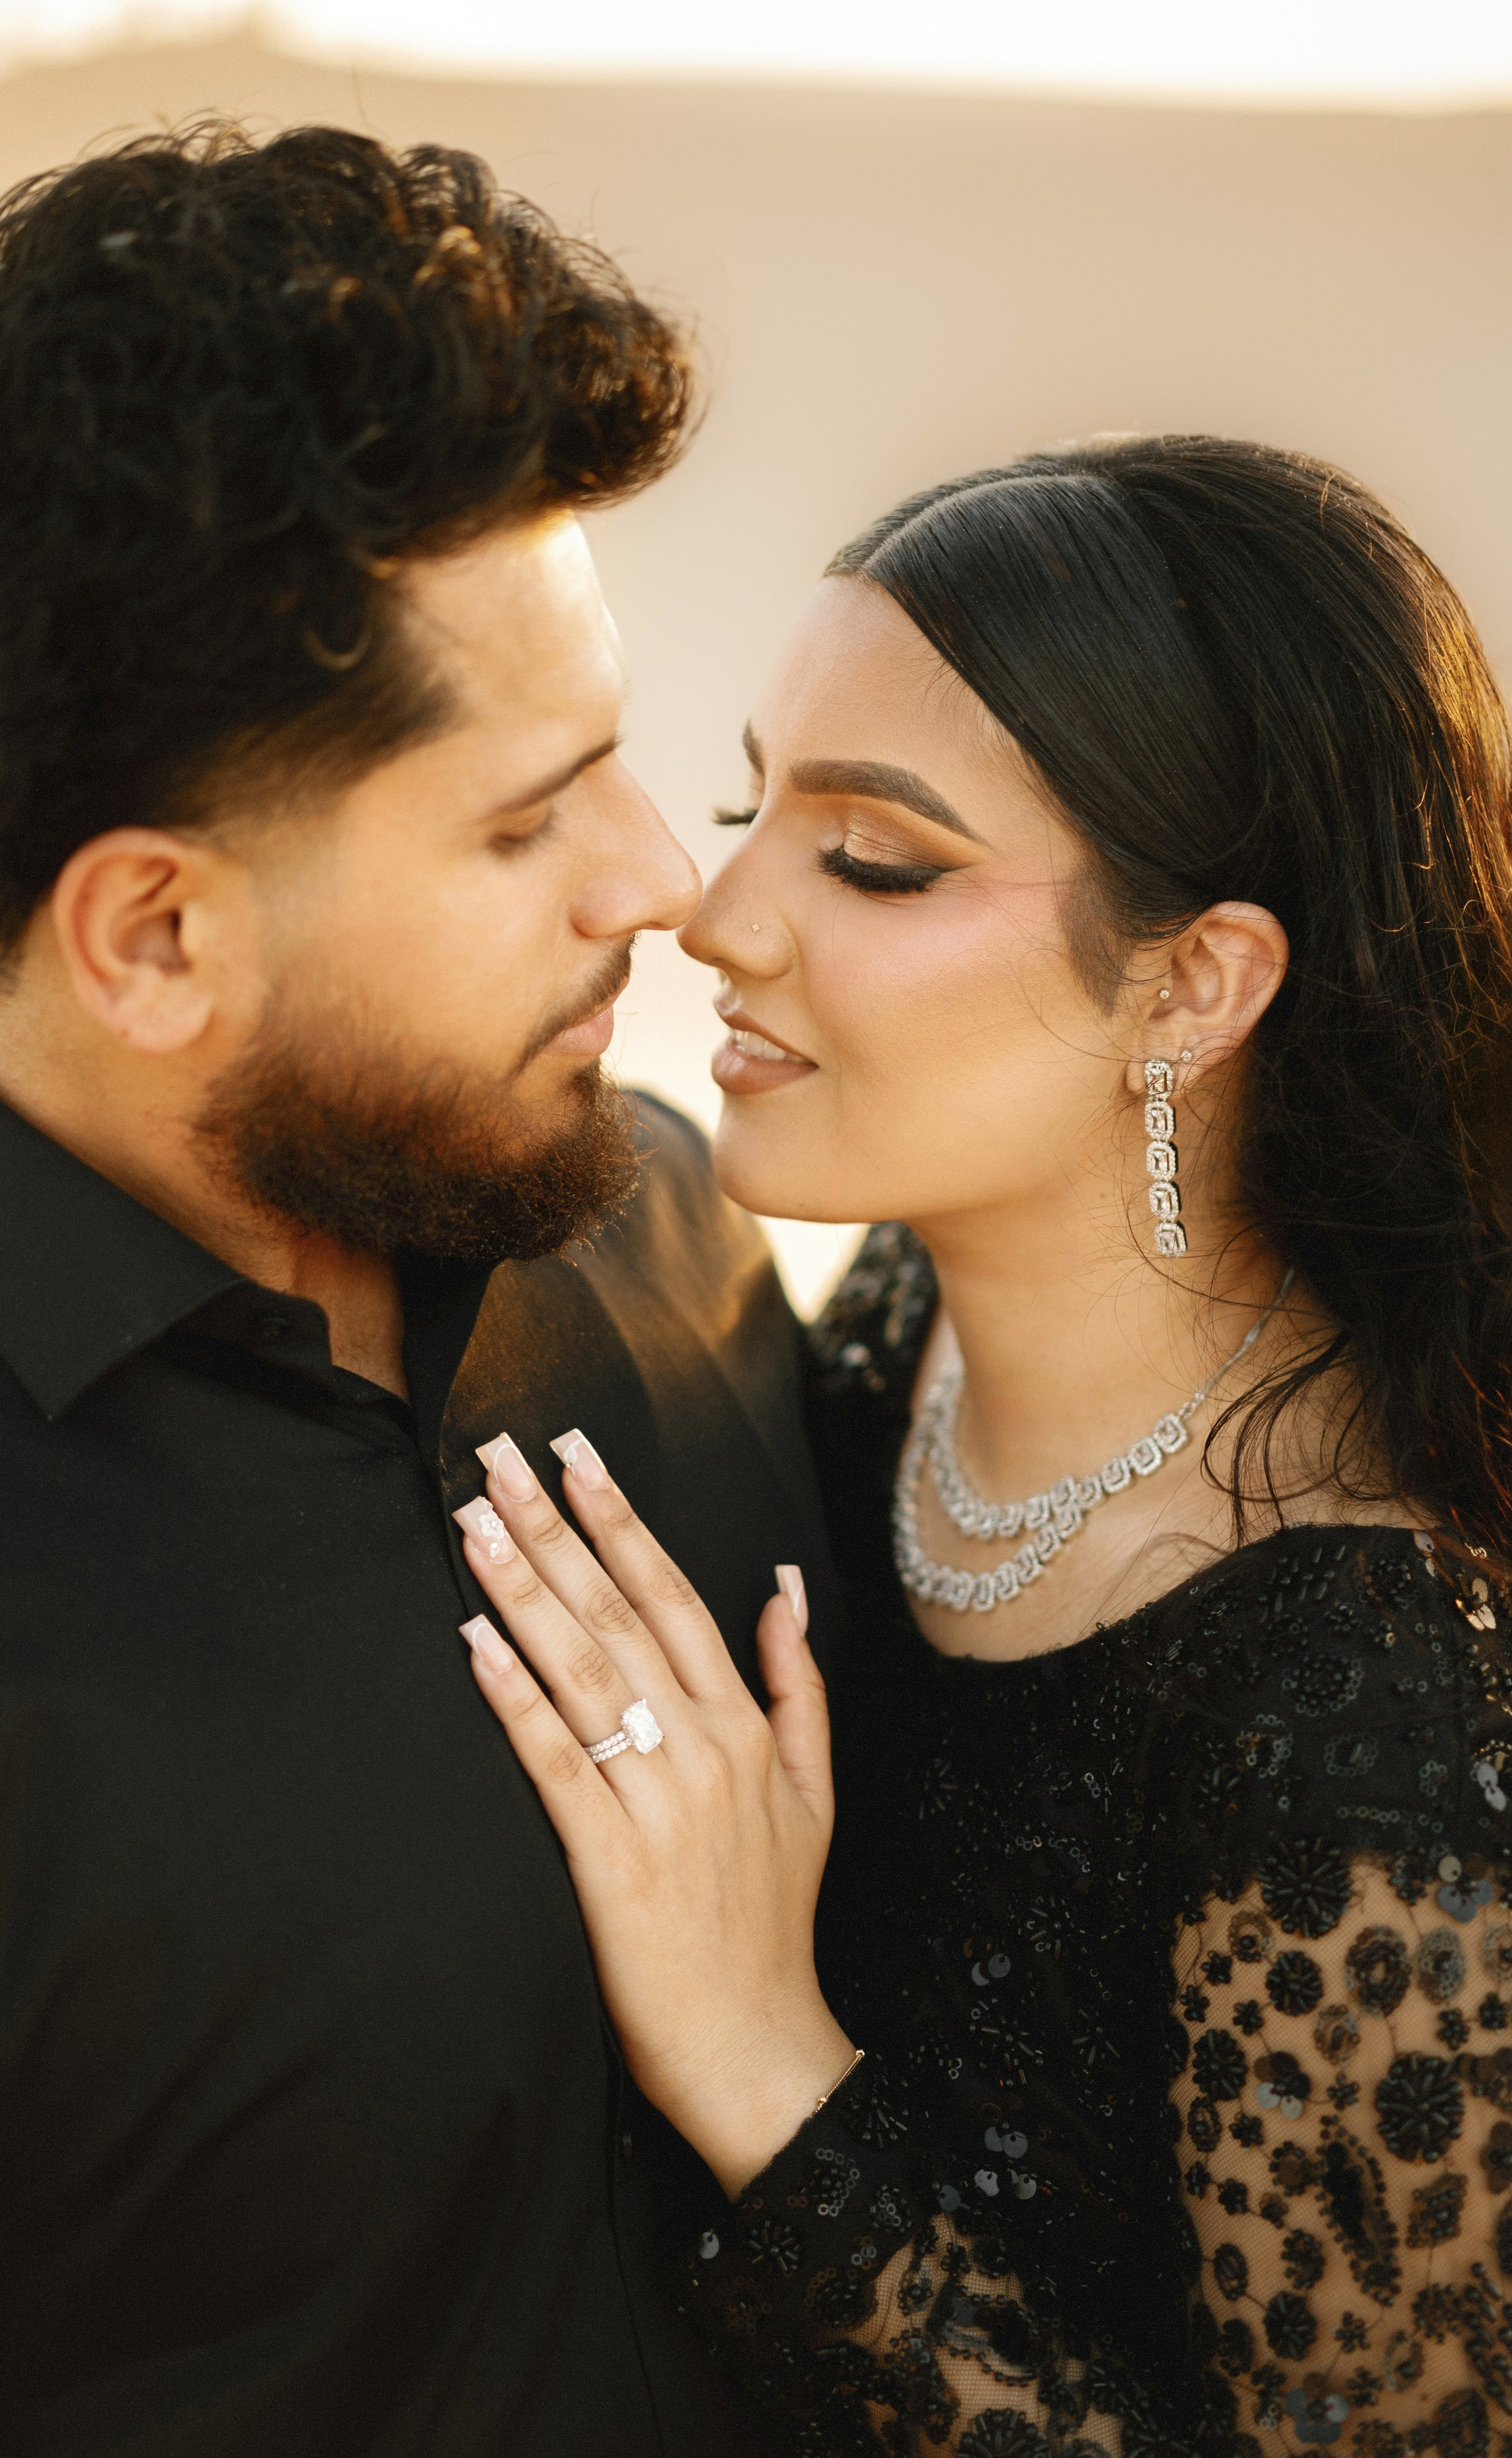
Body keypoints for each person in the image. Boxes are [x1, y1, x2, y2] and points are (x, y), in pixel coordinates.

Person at [0, 124, 839, 2456]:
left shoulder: (671, 1232)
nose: (656, 883)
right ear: (153, 937)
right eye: (524, 821)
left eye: (622, 759)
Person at [457, 435, 1512, 2452]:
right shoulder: (891, 1333)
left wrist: (756, 2057)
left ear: (1196, 985)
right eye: (751, 807)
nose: (716, 915)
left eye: (874, 860)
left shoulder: (1364, 1710)